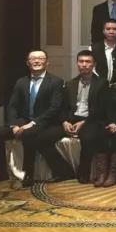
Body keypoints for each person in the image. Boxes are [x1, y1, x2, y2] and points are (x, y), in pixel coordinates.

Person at [0, 50, 64, 186]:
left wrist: (33, 123)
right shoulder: (21, 82)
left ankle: (28, 174)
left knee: (28, 134)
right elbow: (12, 106)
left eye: (40, 58)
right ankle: (1, 172)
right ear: (27, 63)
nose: (36, 61)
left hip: (45, 122)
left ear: (47, 62)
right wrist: (14, 125)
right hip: (23, 120)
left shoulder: (56, 82)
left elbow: (54, 108)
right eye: (33, 59)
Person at [36, 50, 107, 184]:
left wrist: (84, 122)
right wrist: (64, 121)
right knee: (42, 139)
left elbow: (101, 109)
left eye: (88, 62)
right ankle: (64, 172)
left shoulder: (102, 83)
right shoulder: (70, 83)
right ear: (77, 63)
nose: (84, 64)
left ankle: (83, 173)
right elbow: (63, 107)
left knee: (88, 138)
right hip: (71, 119)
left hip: (91, 120)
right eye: (81, 61)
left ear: (94, 64)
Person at [90, 19, 116, 84]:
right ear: (103, 31)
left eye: (115, 29)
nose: (111, 32)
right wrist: (99, 82)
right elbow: (91, 68)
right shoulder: (93, 48)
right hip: (98, 85)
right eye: (108, 29)